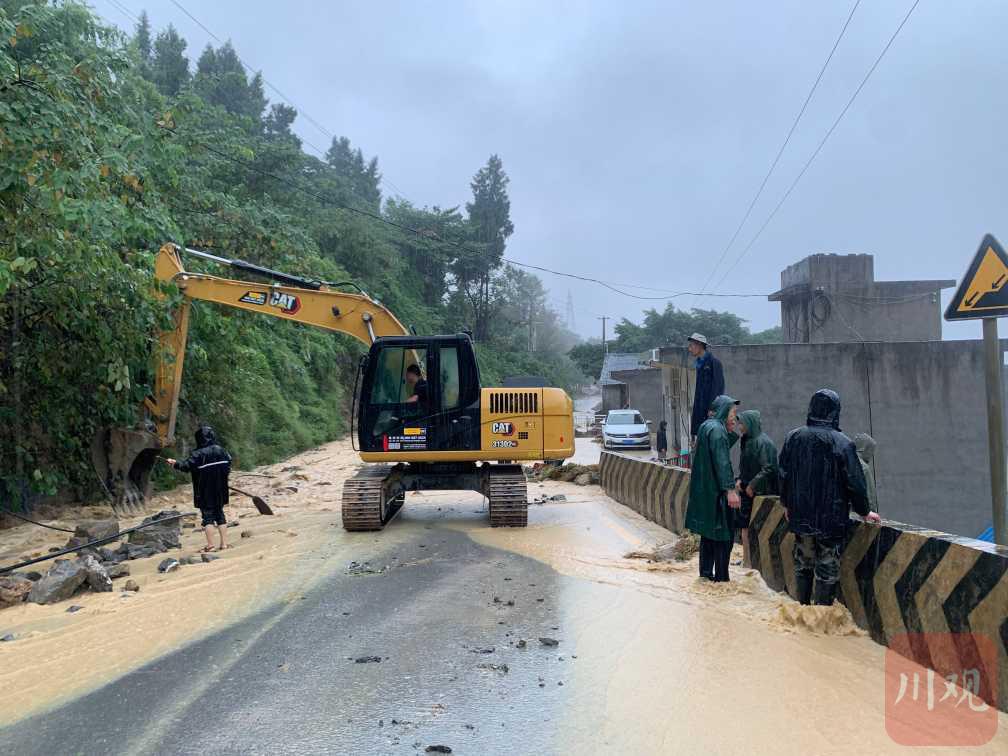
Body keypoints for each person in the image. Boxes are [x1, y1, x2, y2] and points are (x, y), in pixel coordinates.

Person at [778, 390, 881, 606]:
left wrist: (786, 503)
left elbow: (784, 474)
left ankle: (803, 609)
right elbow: (855, 482)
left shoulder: (793, 437)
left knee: (803, 563)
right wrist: (864, 511)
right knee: (826, 566)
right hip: (831, 519)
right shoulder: (843, 443)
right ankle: (822, 617)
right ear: (835, 412)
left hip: (801, 515)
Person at [685, 394, 740, 582]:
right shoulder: (717, 430)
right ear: (724, 410)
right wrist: (730, 490)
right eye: (733, 412)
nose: (735, 416)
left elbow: (714, 451)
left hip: (705, 492)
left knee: (708, 537)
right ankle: (722, 579)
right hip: (717, 492)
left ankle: (705, 577)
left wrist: (730, 431)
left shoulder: (706, 426)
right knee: (724, 538)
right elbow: (722, 461)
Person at [165, 425, 232, 553]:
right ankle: (224, 544)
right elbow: (229, 463)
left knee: (208, 518)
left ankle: (211, 546)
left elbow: (186, 466)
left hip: (205, 491)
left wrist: (174, 463)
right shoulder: (221, 450)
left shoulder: (198, 454)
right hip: (220, 490)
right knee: (220, 515)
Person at [735, 410, 778, 568]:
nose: (740, 426)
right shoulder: (746, 441)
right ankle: (747, 560)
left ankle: (754, 562)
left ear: (750, 424)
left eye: (742, 423)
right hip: (747, 491)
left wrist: (753, 484)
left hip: (761, 493)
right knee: (744, 527)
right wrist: (740, 479)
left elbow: (769, 468)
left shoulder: (763, 443)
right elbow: (744, 466)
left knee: (755, 529)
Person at [687, 333, 725, 450]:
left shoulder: (714, 363)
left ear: (699, 345)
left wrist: (713, 408)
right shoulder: (699, 364)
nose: (690, 349)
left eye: (692, 345)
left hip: (710, 409)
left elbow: (718, 386)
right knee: (700, 433)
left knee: (709, 437)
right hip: (700, 405)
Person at [854, 433, 878, 512]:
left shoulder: (843, 461)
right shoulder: (863, 467)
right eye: (871, 450)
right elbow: (870, 499)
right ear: (864, 448)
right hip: (860, 515)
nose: (871, 455)